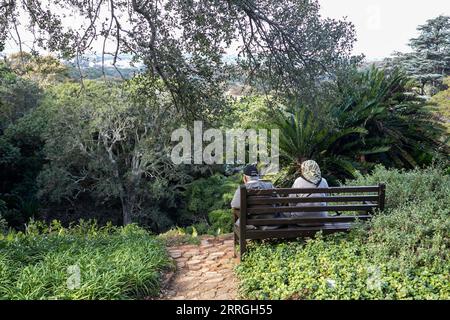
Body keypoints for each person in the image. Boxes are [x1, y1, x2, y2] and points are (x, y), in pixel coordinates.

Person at [230, 164, 280, 230]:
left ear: (245, 177)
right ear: (257, 176)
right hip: (271, 221)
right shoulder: (269, 185)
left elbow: (234, 205)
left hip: (252, 222)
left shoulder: (243, 188)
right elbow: (278, 200)